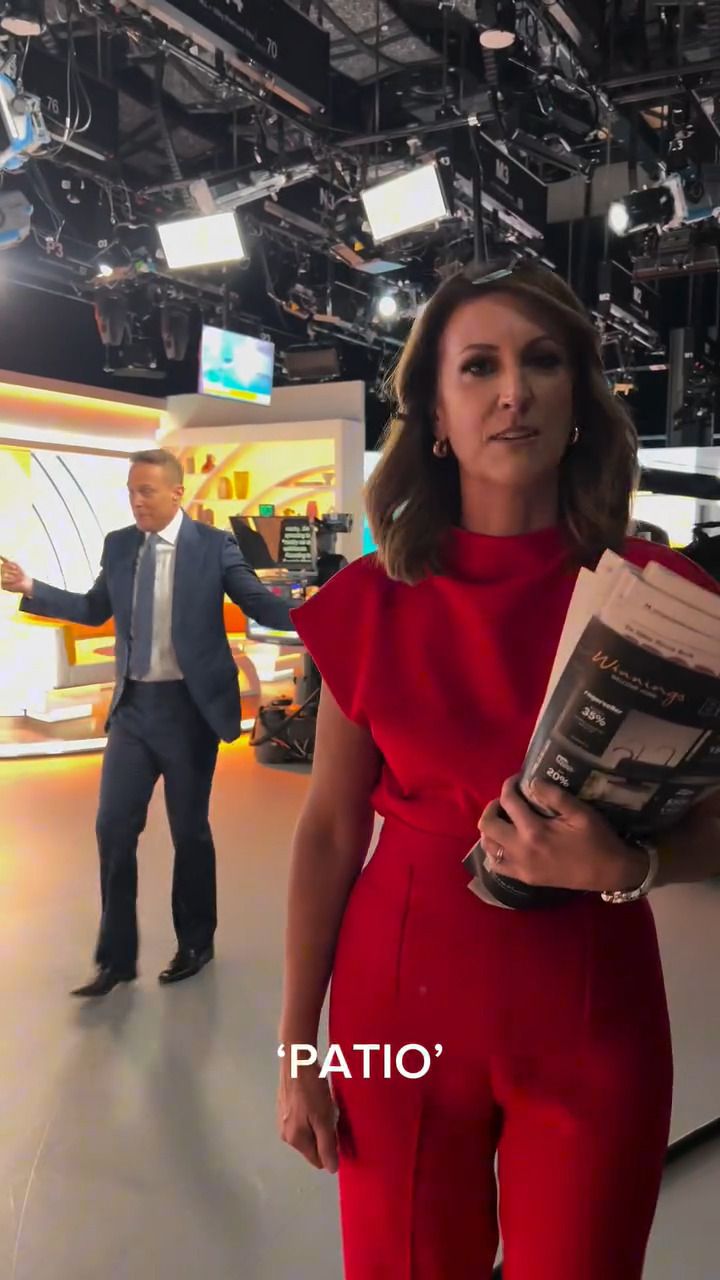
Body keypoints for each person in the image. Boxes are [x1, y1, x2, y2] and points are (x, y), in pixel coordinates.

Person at [276, 261, 720, 1280]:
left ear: (580, 399)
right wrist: (298, 1050)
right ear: (436, 412)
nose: (513, 390)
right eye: (478, 366)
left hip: (592, 1006)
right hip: (398, 1008)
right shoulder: (370, 602)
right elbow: (330, 830)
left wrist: (631, 865)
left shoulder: (664, 598)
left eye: (543, 361)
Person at [1, 448, 294, 998]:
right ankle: (115, 960)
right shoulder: (120, 545)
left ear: (176, 493)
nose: (136, 500)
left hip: (190, 712)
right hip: (134, 711)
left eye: (147, 491)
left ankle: (196, 943)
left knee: (189, 831)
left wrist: (325, 610)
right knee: (113, 828)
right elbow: (94, 608)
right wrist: (31, 586)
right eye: (131, 491)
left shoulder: (214, 546)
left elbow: (259, 603)